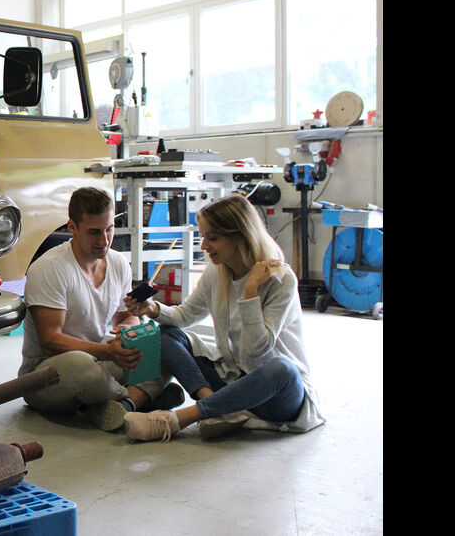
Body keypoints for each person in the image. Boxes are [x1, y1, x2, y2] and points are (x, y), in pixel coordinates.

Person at [121, 193, 325, 442]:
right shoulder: (216, 273)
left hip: (277, 395)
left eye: (213, 238)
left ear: (241, 236)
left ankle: (175, 420)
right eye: (203, 236)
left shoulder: (280, 279)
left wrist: (250, 293)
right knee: (165, 334)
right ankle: (215, 407)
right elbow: (186, 315)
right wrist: (153, 309)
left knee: (282, 368)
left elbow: (256, 354)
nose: (204, 245)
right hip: (235, 376)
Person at [18, 186, 183, 432]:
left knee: (164, 346)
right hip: (49, 372)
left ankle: (122, 405)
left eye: (109, 229)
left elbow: (124, 315)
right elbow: (49, 341)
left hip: (99, 356)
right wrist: (109, 352)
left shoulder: (117, 263)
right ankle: (142, 397)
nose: (104, 241)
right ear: (72, 227)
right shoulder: (49, 269)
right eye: (94, 232)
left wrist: (127, 336)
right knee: (83, 368)